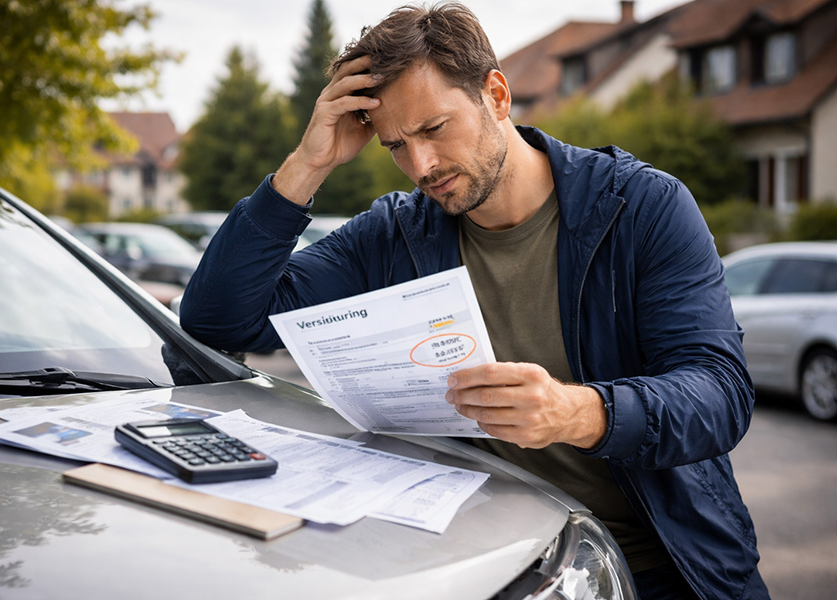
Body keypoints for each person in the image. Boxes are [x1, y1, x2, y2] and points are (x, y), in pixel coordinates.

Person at [180, 3, 769, 599]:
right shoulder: (395, 235)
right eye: (396, 146)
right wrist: (309, 165)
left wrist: (580, 412)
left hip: (665, 565)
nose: (420, 166)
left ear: (496, 94)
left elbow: (720, 392)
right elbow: (222, 319)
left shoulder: (643, 208)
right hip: (491, 566)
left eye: (434, 129)